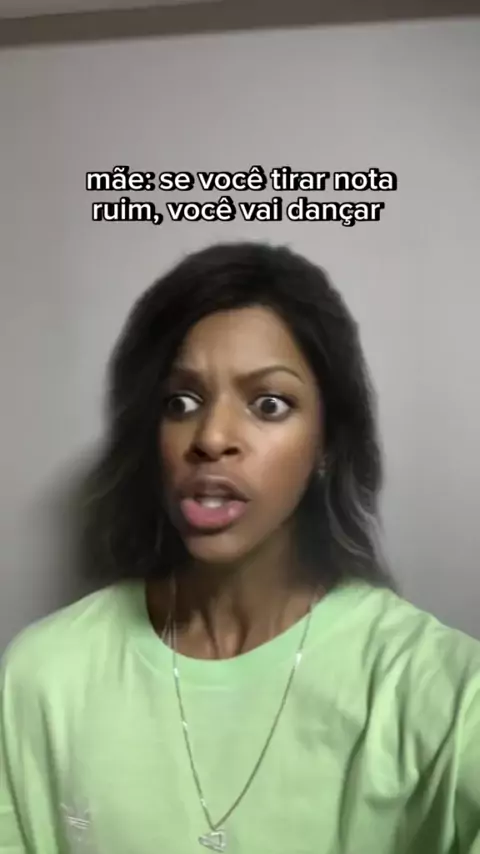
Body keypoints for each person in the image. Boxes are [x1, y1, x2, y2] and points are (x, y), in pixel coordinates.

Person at [1, 242, 479, 854]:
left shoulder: (443, 691)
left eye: (268, 404)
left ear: (328, 444)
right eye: (181, 402)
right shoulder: (44, 677)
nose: (211, 437)